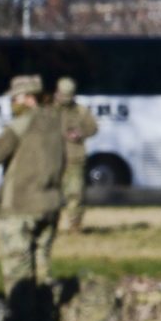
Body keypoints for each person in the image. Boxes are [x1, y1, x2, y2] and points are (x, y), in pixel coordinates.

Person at [0, 74, 69, 320]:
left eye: (14, 99)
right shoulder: (56, 121)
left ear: (25, 97)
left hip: (20, 207)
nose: (12, 104)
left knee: (19, 277)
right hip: (50, 204)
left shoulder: (20, 123)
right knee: (43, 272)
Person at [57, 75, 98, 231]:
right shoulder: (50, 111)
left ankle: (75, 226)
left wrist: (80, 133)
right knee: (50, 195)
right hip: (53, 159)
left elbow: (93, 127)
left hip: (74, 159)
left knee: (75, 194)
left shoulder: (81, 111)